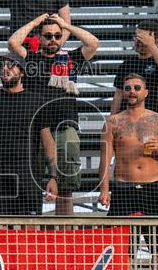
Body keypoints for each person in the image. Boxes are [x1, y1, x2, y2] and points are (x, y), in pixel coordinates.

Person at [99, 74, 158, 270]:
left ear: (146, 92)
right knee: (123, 245)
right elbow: (105, 159)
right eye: (127, 88)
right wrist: (104, 189)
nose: (132, 91)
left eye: (136, 87)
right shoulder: (113, 122)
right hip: (123, 187)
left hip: (153, 186)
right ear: (123, 93)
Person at [9, 13, 99, 215]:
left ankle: (64, 238)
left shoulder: (71, 59)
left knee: (65, 187)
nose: (53, 40)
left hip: (64, 128)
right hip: (35, 130)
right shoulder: (31, 60)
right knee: (32, 185)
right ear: (40, 38)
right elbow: (13, 42)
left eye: (57, 36)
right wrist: (36, 21)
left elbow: (93, 43)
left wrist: (65, 25)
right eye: (48, 36)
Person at [0, 52, 59, 216]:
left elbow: (48, 142)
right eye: (1, 66)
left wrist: (53, 177)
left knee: (28, 229)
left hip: (27, 174)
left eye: (10, 65)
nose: (5, 69)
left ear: (22, 72)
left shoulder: (37, 101)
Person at [112, 18, 158, 186]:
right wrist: (112, 121)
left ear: (155, 39)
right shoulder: (127, 64)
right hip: (129, 129)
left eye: (142, 37)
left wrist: (151, 46)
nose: (137, 41)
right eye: (136, 37)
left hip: (156, 128)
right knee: (127, 176)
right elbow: (118, 95)